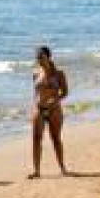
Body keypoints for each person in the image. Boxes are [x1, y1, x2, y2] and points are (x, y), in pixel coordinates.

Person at [29, 46, 69, 179]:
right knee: (36, 139)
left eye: (41, 57)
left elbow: (65, 92)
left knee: (56, 139)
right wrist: (35, 105)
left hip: (54, 109)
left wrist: (55, 99)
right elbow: (35, 93)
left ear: (48, 57)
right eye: (38, 57)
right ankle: (36, 171)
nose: (39, 60)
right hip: (39, 109)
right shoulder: (35, 73)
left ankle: (62, 168)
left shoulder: (59, 74)